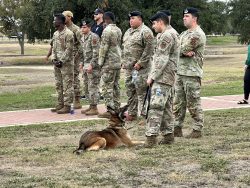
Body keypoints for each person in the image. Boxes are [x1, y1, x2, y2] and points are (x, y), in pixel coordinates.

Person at [144, 12, 180, 148]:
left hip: (163, 77)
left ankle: (151, 138)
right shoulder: (171, 33)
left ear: (160, 22)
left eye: (153, 23)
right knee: (165, 109)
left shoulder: (167, 35)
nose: (153, 27)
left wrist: (152, 77)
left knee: (155, 107)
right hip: (167, 77)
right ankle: (168, 136)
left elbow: (162, 59)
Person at [173, 7, 206, 138]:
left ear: (194, 18)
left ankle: (197, 129)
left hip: (192, 74)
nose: (184, 18)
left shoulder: (197, 34)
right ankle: (177, 127)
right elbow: (175, 47)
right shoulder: (184, 34)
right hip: (181, 71)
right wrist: (183, 52)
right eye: (184, 16)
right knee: (178, 102)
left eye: (187, 16)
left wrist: (182, 50)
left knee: (193, 102)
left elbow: (180, 49)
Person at [122, 11, 154, 121]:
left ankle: (145, 116)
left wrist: (141, 63)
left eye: (133, 18)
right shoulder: (128, 31)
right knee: (130, 91)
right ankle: (132, 113)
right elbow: (125, 48)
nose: (130, 20)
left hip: (141, 69)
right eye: (130, 19)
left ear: (140, 19)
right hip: (129, 69)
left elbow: (149, 49)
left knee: (142, 93)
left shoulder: (146, 32)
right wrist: (124, 61)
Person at [97, 11, 122, 118]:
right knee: (116, 85)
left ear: (106, 19)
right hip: (117, 61)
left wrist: (100, 62)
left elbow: (104, 48)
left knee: (107, 86)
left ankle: (110, 110)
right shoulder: (118, 29)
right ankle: (116, 107)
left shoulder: (107, 30)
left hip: (109, 63)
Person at [50, 14, 74, 114]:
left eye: (55, 20)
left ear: (61, 22)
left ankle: (67, 106)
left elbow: (69, 50)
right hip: (57, 64)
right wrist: (54, 59)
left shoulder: (69, 34)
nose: (53, 22)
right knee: (58, 84)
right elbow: (53, 49)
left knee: (67, 84)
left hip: (66, 64)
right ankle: (60, 103)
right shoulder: (55, 34)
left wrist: (61, 61)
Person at [79, 19, 100, 115]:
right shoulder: (82, 38)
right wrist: (81, 63)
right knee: (87, 86)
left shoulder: (94, 37)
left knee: (93, 86)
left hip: (93, 66)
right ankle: (91, 106)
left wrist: (92, 64)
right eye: (81, 27)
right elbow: (82, 53)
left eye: (84, 27)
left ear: (89, 28)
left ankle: (95, 107)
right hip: (86, 65)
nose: (82, 29)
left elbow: (96, 53)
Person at [62, 11, 82, 109]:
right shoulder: (63, 29)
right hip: (65, 57)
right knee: (66, 79)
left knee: (75, 77)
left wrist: (77, 56)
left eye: (64, 16)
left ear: (69, 17)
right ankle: (66, 101)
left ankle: (77, 99)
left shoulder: (76, 29)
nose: (62, 18)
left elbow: (82, 44)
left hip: (74, 57)